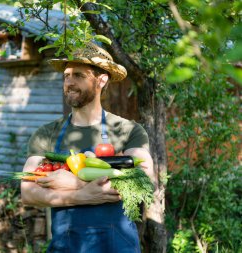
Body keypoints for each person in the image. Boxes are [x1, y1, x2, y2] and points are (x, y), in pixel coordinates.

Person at [20, 42, 154, 253]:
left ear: (101, 80)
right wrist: (81, 195)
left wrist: (75, 180)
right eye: (66, 76)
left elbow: (144, 181)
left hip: (118, 247)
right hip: (67, 247)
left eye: (79, 76)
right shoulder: (47, 134)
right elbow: (27, 191)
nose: (69, 83)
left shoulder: (127, 131)